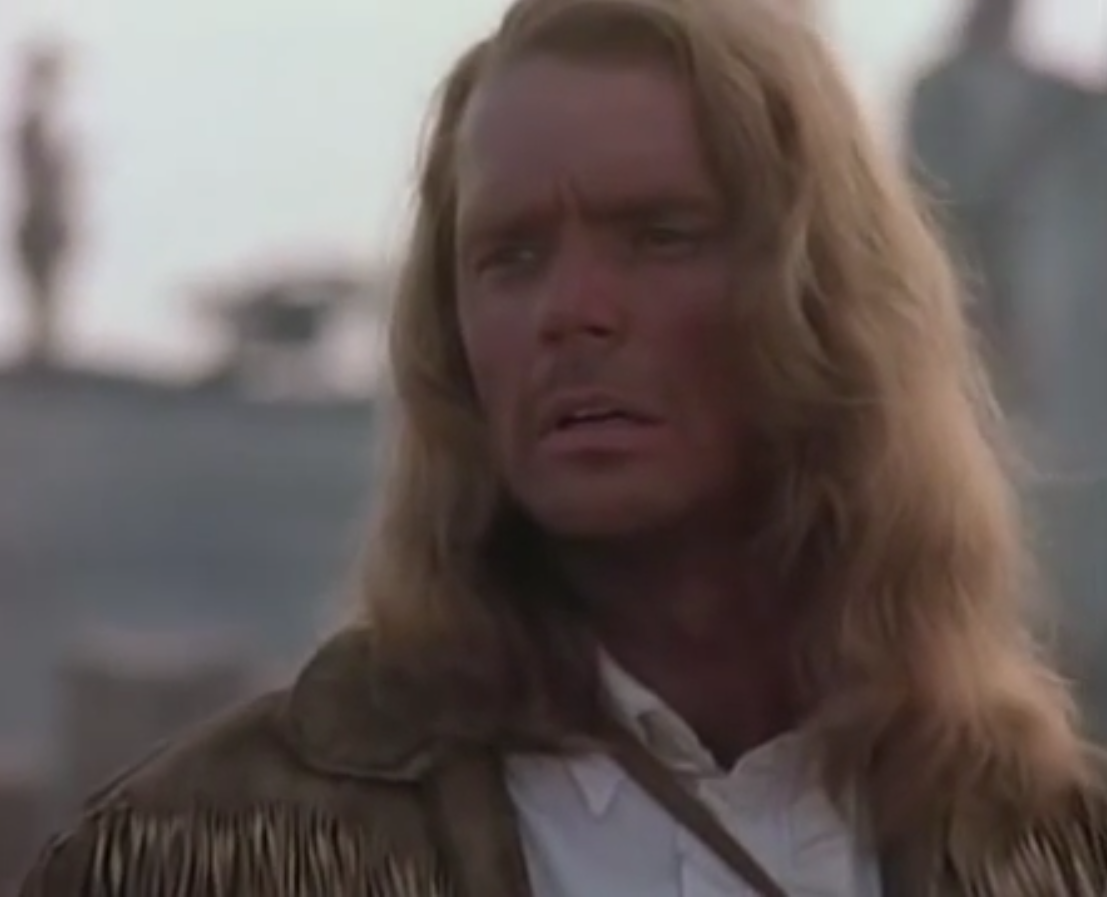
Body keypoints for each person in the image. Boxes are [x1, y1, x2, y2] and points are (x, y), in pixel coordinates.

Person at [20, 0, 1107, 893]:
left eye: (660, 236)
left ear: (823, 303)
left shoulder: (1047, 853)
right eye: (512, 256)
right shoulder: (209, 861)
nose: (572, 311)